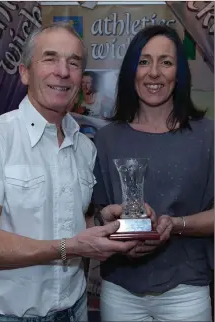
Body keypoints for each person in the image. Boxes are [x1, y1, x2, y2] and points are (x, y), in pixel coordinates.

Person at [0, 22, 141, 322]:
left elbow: (68, 220)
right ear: (24, 72)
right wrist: (67, 248)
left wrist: (101, 219)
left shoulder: (85, 146)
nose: (63, 72)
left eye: (73, 63)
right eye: (50, 58)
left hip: (75, 310)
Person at [93, 25, 214, 321]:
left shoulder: (207, 135)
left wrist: (175, 224)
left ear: (179, 73)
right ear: (131, 70)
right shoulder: (106, 139)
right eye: (144, 61)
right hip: (120, 291)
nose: (154, 73)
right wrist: (111, 228)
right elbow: (94, 216)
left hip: (186, 290)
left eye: (166, 62)